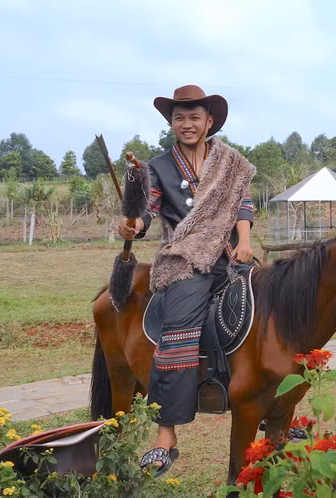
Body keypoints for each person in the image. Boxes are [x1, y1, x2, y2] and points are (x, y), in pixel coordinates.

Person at [117, 84, 255, 476]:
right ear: (171, 122)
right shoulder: (157, 167)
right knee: (177, 331)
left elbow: (243, 202)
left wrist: (244, 240)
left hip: (232, 254)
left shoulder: (231, 162)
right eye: (179, 118)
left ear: (209, 121)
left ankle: (270, 404)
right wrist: (135, 224)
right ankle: (166, 434)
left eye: (195, 117)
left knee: (270, 308)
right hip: (185, 259)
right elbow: (148, 207)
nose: (187, 124)